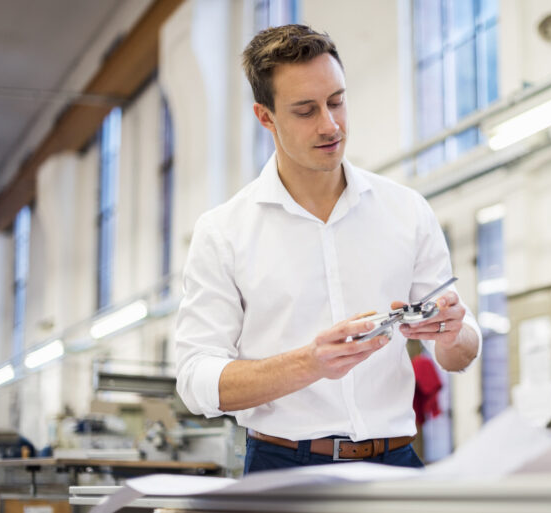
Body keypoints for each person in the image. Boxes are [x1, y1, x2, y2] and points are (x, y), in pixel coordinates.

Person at [175, 24, 481, 474]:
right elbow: (196, 380)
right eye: (305, 110)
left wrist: (454, 332)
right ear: (266, 117)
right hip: (283, 466)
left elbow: (459, 356)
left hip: (395, 463)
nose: (330, 125)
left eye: (336, 101)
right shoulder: (224, 231)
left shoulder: (406, 210)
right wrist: (310, 362)